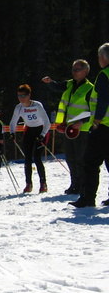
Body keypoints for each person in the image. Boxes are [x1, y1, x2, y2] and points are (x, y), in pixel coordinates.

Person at [42, 60, 93, 195]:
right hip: (69, 129)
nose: (74, 72)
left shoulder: (90, 88)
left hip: (82, 129)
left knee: (80, 159)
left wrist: (81, 122)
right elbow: (57, 86)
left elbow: (94, 110)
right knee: (70, 158)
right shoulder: (70, 84)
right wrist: (50, 82)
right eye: (73, 69)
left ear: (85, 71)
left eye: (77, 70)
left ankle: (83, 185)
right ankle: (74, 184)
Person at [71, 43, 109, 208]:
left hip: (103, 126)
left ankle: (87, 198)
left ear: (103, 58)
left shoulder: (104, 75)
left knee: (90, 162)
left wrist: (97, 120)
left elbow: (103, 100)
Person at [9, 83, 50, 193]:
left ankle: (43, 183)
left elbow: (47, 122)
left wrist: (42, 135)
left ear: (29, 95)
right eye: (19, 96)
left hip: (41, 130)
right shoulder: (19, 107)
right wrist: (12, 132)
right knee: (27, 158)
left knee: (37, 157)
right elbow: (13, 122)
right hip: (29, 131)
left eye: (23, 96)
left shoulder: (37, 105)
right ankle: (28, 184)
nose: (21, 98)